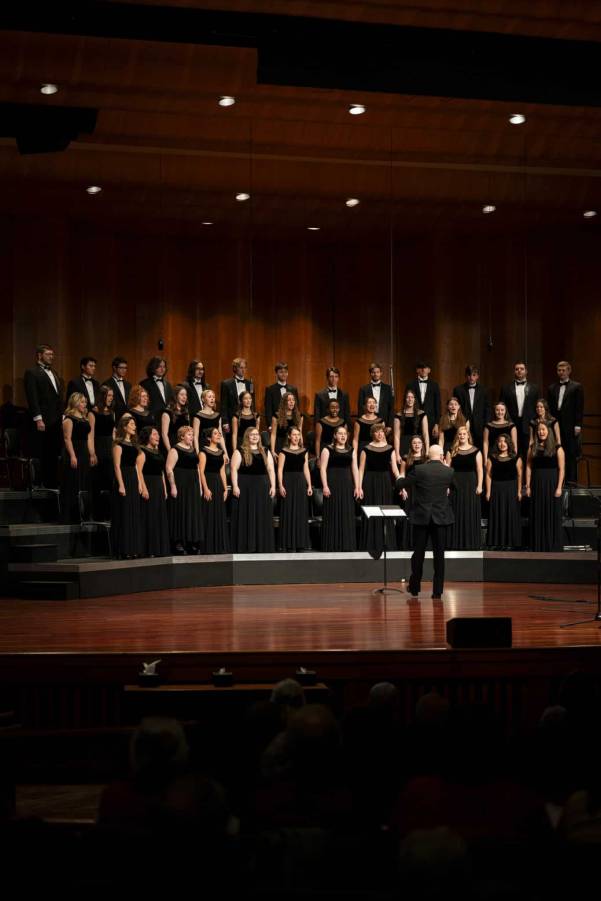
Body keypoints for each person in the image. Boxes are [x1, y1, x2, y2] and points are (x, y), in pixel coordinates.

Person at [395, 445, 455, 600]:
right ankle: (437, 592)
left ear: (428, 456)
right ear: (442, 456)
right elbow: (455, 488)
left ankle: (415, 588)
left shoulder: (420, 469)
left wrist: (399, 476)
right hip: (440, 518)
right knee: (439, 555)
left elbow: (401, 485)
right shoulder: (448, 471)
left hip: (422, 517)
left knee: (418, 553)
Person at [24, 344, 64, 487]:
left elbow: (58, 397)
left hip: (56, 419)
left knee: (53, 451)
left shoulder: (54, 372)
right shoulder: (32, 372)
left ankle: (52, 481)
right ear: (39, 355)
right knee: (43, 451)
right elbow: (32, 397)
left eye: (52, 354)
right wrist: (38, 418)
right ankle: (41, 482)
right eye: (48, 354)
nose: (51, 357)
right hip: (43, 420)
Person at [230, 427, 276, 553]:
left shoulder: (265, 451)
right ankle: (247, 545)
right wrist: (235, 486)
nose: (255, 436)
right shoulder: (239, 451)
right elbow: (234, 469)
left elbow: (271, 469)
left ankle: (261, 545)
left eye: (257, 434)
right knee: (246, 514)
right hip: (245, 487)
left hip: (262, 487)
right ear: (247, 437)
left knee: (262, 515)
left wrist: (273, 485)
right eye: (252, 434)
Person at [359, 422, 400, 555]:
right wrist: (359, 487)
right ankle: (370, 543)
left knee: (385, 511)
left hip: (385, 481)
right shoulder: (365, 449)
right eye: (377, 431)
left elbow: (395, 469)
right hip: (369, 482)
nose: (380, 434)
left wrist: (401, 484)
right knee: (371, 511)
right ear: (373, 434)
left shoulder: (390, 449)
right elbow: (361, 470)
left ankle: (387, 542)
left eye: (382, 431)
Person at [320, 424, 362, 551]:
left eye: (345, 434)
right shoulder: (327, 449)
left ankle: (346, 544)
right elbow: (322, 468)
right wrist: (325, 486)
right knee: (332, 513)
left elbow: (355, 468)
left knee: (346, 513)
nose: (343, 436)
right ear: (335, 435)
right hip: (332, 483)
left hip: (347, 485)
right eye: (340, 433)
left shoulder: (351, 450)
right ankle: (332, 544)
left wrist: (357, 486)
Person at [526, 421, 565, 552]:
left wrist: (559, 487)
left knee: (551, 513)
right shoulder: (533, 448)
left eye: (543, 430)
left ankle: (552, 545)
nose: (540, 432)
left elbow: (561, 469)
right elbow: (528, 467)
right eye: (538, 430)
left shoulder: (557, 448)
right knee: (537, 513)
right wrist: (528, 486)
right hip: (537, 484)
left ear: (549, 431)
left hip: (552, 484)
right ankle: (538, 544)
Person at [165, 425, 203, 555]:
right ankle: (178, 542)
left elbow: (197, 468)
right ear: (181, 436)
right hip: (181, 483)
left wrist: (200, 487)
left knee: (192, 512)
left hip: (192, 484)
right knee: (181, 511)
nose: (192, 437)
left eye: (192, 435)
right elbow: (169, 468)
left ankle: (192, 541)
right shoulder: (175, 449)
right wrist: (173, 485)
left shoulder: (192, 450)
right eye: (189, 435)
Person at [111, 414, 144, 558]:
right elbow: (117, 467)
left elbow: (136, 467)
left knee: (133, 514)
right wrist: (121, 485)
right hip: (123, 478)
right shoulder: (118, 445)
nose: (134, 426)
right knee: (124, 515)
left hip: (132, 478)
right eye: (131, 424)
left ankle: (133, 548)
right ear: (124, 427)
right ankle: (123, 549)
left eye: (134, 424)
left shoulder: (134, 445)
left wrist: (140, 483)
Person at [60, 392, 96, 523]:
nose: (84, 404)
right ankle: (71, 516)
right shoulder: (69, 419)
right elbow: (67, 439)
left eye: (85, 402)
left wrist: (91, 453)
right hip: (73, 452)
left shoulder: (84, 418)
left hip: (84, 453)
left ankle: (84, 513)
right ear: (75, 403)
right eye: (82, 402)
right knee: (73, 482)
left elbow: (88, 438)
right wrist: (73, 456)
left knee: (84, 481)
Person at [446, 425, 483, 550]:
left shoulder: (476, 451)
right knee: (456, 511)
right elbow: (448, 470)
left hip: (470, 484)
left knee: (469, 510)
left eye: (464, 434)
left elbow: (479, 469)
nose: (462, 436)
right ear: (457, 436)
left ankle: (470, 542)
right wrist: (447, 486)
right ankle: (455, 542)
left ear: (468, 436)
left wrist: (479, 485)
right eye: (460, 434)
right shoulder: (451, 451)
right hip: (455, 484)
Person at [547, 361, 584, 486]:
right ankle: (558, 480)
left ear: (569, 371)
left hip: (571, 425)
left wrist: (578, 424)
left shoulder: (576, 386)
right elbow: (550, 408)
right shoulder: (551, 388)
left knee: (570, 452)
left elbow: (579, 407)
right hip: (556, 425)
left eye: (563, 370)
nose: (561, 373)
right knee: (556, 450)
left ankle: (571, 480)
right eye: (559, 370)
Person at [277, 426, 312, 552]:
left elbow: (306, 468)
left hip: (300, 482)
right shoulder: (283, 451)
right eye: (294, 434)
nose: (296, 437)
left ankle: (300, 543)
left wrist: (309, 485)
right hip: (288, 481)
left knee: (300, 512)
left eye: (298, 435)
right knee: (288, 511)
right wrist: (280, 485)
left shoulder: (304, 451)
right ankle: (288, 543)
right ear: (289, 436)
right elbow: (280, 469)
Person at [485, 434, 522, 549]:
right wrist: (488, 492)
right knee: (497, 514)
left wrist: (519, 491)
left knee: (510, 514)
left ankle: (510, 542)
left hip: (511, 489)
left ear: (509, 443)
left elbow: (520, 475)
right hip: (496, 489)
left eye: (505, 441)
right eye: (500, 441)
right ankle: (496, 542)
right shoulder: (492, 458)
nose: (502, 444)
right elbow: (488, 475)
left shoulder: (516, 458)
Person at [138, 426, 170, 557]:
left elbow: (161, 471)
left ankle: (159, 548)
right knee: (149, 517)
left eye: (158, 434)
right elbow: (138, 471)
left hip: (158, 485)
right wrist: (144, 488)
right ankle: (149, 549)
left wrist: (164, 488)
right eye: (155, 434)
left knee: (159, 517)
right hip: (148, 483)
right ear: (148, 436)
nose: (158, 437)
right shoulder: (142, 451)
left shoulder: (158, 451)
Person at [499, 360, 539, 463]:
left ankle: (527, 478)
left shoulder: (534, 388)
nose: (519, 371)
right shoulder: (506, 388)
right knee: (512, 451)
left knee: (528, 452)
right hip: (511, 424)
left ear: (526, 371)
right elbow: (501, 406)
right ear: (514, 371)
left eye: (522, 369)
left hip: (529, 424)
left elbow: (538, 407)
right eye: (517, 369)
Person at [199, 427, 230, 554]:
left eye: (219, 433)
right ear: (208, 437)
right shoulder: (203, 452)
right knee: (208, 513)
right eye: (215, 434)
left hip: (218, 483)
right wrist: (205, 488)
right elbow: (201, 472)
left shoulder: (221, 452)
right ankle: (207, 546)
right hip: (209, 482)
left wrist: (225, 488)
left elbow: (222, 471)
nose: (218, 435)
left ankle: (219, 545)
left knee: (218, 513)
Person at [398, 435, 427, 550]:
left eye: (419, 442)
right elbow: (402, 475)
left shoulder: (426, 458)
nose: (417, 445)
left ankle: (421, 542)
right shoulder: (406, 458)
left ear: (422, 444)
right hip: (410, 490)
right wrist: (402, 489)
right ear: (411, 445)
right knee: (409, 514)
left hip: (423, 490)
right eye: (414, 443)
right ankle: (408, 542)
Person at [452, 365, 490, 450]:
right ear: (466, 376)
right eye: (469, 375)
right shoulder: (458, 390)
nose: (471, 377)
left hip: (480, 425)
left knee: (479, 446)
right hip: (463, 423)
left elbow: (487, 408)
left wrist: (486, 424)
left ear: (477, 376)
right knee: (463, 446)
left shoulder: (484, 390)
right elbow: (455, 407)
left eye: (474, 375)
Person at [91, 384, 116, 512]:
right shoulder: (94, 412)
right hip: (98, 446)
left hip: (109, 447)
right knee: (98, 480)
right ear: (102, 396)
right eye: (109, 395)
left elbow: (113, 433)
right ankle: (97, 511)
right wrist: (92, 453)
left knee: (109, 479)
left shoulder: (111, 412)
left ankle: (108, 511)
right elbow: (91, 434)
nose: (111, 398)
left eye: (112, 395)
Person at [406, 361, 441, 442]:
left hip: (430, 422)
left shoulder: (435, 385)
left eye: (425, 368)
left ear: (429, 370)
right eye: (421, 368)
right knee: (414, 443)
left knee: (430, 444)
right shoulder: (410, 384)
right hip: (413, 419)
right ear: (417, 370)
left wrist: (437, 424)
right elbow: (406, 402)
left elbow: (438, 405)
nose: (423, 370)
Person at [220, 357, 253, 442]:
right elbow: (223, 404)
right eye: (241, 367)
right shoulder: (226, 384)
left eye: (245, 367)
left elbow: (253, 402)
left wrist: (254, 417)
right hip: (232, 419)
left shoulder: (250, 384)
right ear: (235, 368)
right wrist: (225, 422)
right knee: (232, 443)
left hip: (247, 418)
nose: (243, 370)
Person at [393, 388, 429, 464]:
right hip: (404, 445)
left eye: (412, 397)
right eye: (408, 397)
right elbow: (396, 436)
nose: (410, 399)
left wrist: (427, 450)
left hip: (418, 444)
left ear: (415, 399)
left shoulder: (422, 414)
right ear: (405, 399)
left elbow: (425, 434)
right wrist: (397, 454)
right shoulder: (398, 415)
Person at [193, 388, 228, 459]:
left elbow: (220, 435)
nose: (212, 399)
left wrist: (225, 453)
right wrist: (197, 452)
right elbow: (195, 437)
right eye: (209, 397)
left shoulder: (218, 415)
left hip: (216, 447)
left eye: (213, 397)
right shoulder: (198, 416)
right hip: (203, 447)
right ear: (203, 399)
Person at [358, 362, 394, 428]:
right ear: (370, 374)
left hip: (384, 421)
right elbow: (360, 408)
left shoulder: (388, 388)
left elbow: (391, 408)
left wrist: (389, 426)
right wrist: (361, 423)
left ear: (381, 373)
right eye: (373, 372)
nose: (376, 374)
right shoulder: (363, 389)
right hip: (367, 421)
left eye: (377, 372)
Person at [264, 362, 300, 427]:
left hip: (291, 422)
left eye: (285, 372)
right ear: (276, 373)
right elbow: (268, 410)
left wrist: (297, 422)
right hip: (277, 423)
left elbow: (296, 407)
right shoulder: (270, 389)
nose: (284, 374)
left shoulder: (293, 389)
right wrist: (270, 425)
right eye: (281, 372)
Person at [271, 391, 303, 457]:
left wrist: (302, 446)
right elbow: (273, 434)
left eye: (293, 400)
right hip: (280, 444)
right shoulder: (276, 416)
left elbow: (300, 432)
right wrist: (272, 451)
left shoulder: (299, 416)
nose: (292, 402)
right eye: (289, 400)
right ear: (284, 402)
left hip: (294, 444)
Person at [161, 384, 190, 453]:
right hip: (172, 445)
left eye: (185, 395)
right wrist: (170, 451)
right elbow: (164, 434)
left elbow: (188, 432)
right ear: (175, 396)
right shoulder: (167, 412)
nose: (184, 397)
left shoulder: (185, 412)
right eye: (182, 395)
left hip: (184, 446)